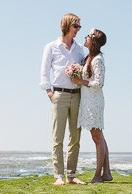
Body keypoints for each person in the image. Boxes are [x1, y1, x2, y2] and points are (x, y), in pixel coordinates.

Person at [40, 13, 86, 185]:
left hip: (77, 95)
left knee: (75, 136)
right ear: (67, 26)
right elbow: (44, 71)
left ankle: (71, 175)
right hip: (59, 95)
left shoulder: (79, 48)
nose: (78, 30)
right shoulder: (51, 47)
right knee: (58, 136)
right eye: (76, 26)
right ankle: (58, 175)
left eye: (79, 27)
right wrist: (49, 92)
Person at [71, 28, 111, 183]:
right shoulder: (89, 57)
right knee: (98, 136)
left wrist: (80, 81)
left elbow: (99, 83)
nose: (85, 37)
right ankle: (106, 173)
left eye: (88, 36)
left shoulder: (97, 59)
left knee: (97, 137)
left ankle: (97, 175)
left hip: (94, 102)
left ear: (93, 41)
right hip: (87, 100)